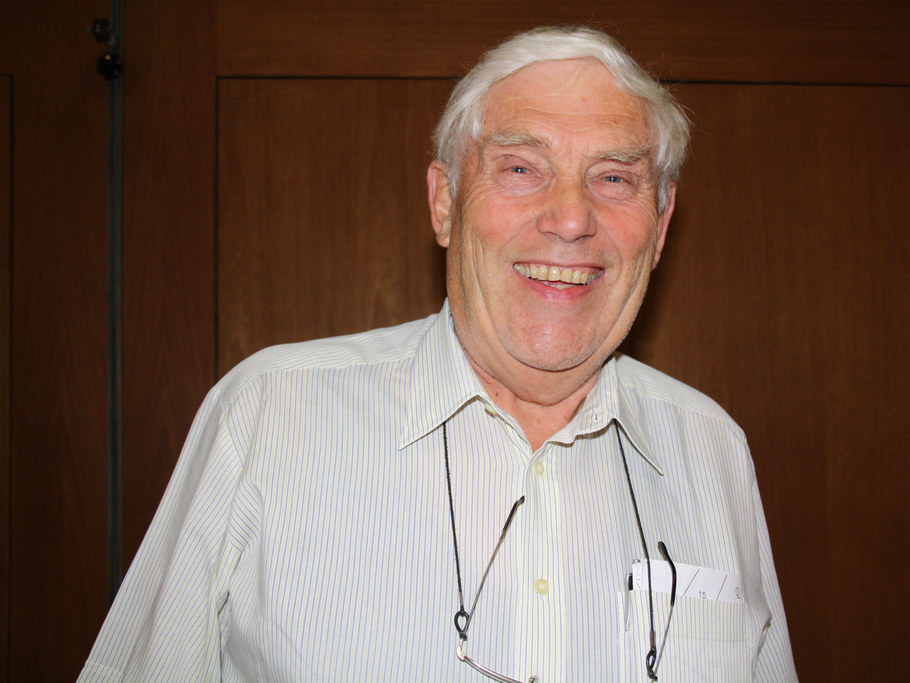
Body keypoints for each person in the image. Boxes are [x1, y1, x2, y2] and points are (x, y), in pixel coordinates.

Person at [78, 26, 798, 683]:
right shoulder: (268, 416)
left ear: (661, 225)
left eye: (614, 178)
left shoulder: (712, 450)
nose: (572, 217)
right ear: (445, 201)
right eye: (521, 168)